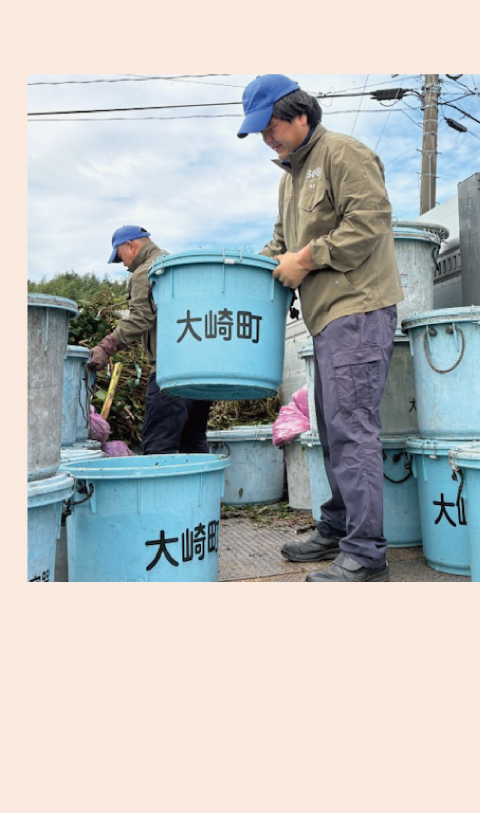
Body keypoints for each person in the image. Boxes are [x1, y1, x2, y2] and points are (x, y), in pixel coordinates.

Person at [238, 74, 402, 582]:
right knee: (330, 430)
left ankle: (367, 553)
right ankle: (337, 529)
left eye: (271, 126)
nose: (268, 138)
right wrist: (241, 275)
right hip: (328, 318)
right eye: (260, 132)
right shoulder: (289, 179)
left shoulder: (343, 154)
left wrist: (306, 259)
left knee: (352, 431)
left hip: (358, 308)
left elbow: (368, 221)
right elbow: (279, 243)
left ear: (301, 115)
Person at [88, 226, 213, 454]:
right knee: (193, 445)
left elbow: (140, 319)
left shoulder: (149, 271)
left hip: (171, 372)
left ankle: (165, 491)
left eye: (120, 257)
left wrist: (106, 348)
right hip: (200, 372)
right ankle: (200, 491)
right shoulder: (176, 267)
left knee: (159, 447)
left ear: (131, 246)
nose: (123, 264)